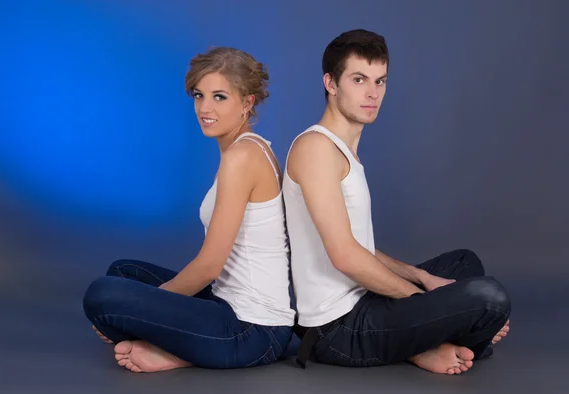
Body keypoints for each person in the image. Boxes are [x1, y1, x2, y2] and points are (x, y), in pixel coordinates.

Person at [283, 29, 511, 375]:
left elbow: (359, 246)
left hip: (366, 300)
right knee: (489, 298)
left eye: (380, 81)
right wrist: (426, 302)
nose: (373, 93)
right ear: (331, 83)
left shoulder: (343, 150)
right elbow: (344, 255)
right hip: (338, 329)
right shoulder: (316, 149)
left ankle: (426, 340)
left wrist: (422, 277)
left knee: (464, 263)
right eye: (359, 80)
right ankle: (433, 343)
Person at [83, 47, 295, 373]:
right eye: (199, 95)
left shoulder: (242, 158)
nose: (205, 108)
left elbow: (209, 266)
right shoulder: (248, 148)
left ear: (247, 102)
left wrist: (147, 310)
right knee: (122, 271)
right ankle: (178, 342)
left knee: (101, 295)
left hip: (253, 331)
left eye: (220, 97)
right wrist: (145, 309)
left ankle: (177, 352)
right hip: (226, 304)